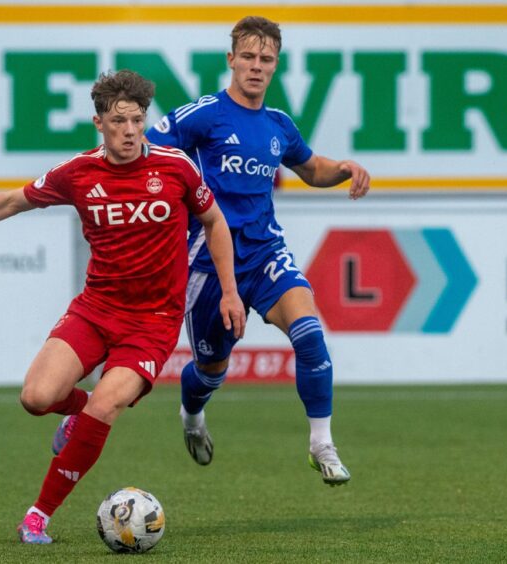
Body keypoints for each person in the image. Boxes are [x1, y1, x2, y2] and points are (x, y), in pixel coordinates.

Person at [0, 70, 246, 544]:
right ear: (99, 123)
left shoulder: (176, 167)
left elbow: (214, 222)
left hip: (152, 322)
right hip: (96, 308)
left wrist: (230, 291)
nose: (130, 130)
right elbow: (13, 201)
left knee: (108, 404)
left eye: (137, 120)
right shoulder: (79, 172)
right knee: (36, 398)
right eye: (119, 121)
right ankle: (79, 412)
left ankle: (38, 515)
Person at [144, 16, 371, 486]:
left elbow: (310, 169)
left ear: (275, 66)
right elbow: (147, 151)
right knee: (210, 369)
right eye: (247, 56)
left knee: (309, 333)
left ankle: (321, 444)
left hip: (265, 252)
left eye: (265, 59)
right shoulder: (204, 115)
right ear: (230, 60)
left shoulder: (278, 125)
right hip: (208, 264)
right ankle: (192, 414)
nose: (256, 66)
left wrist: (344, 167)